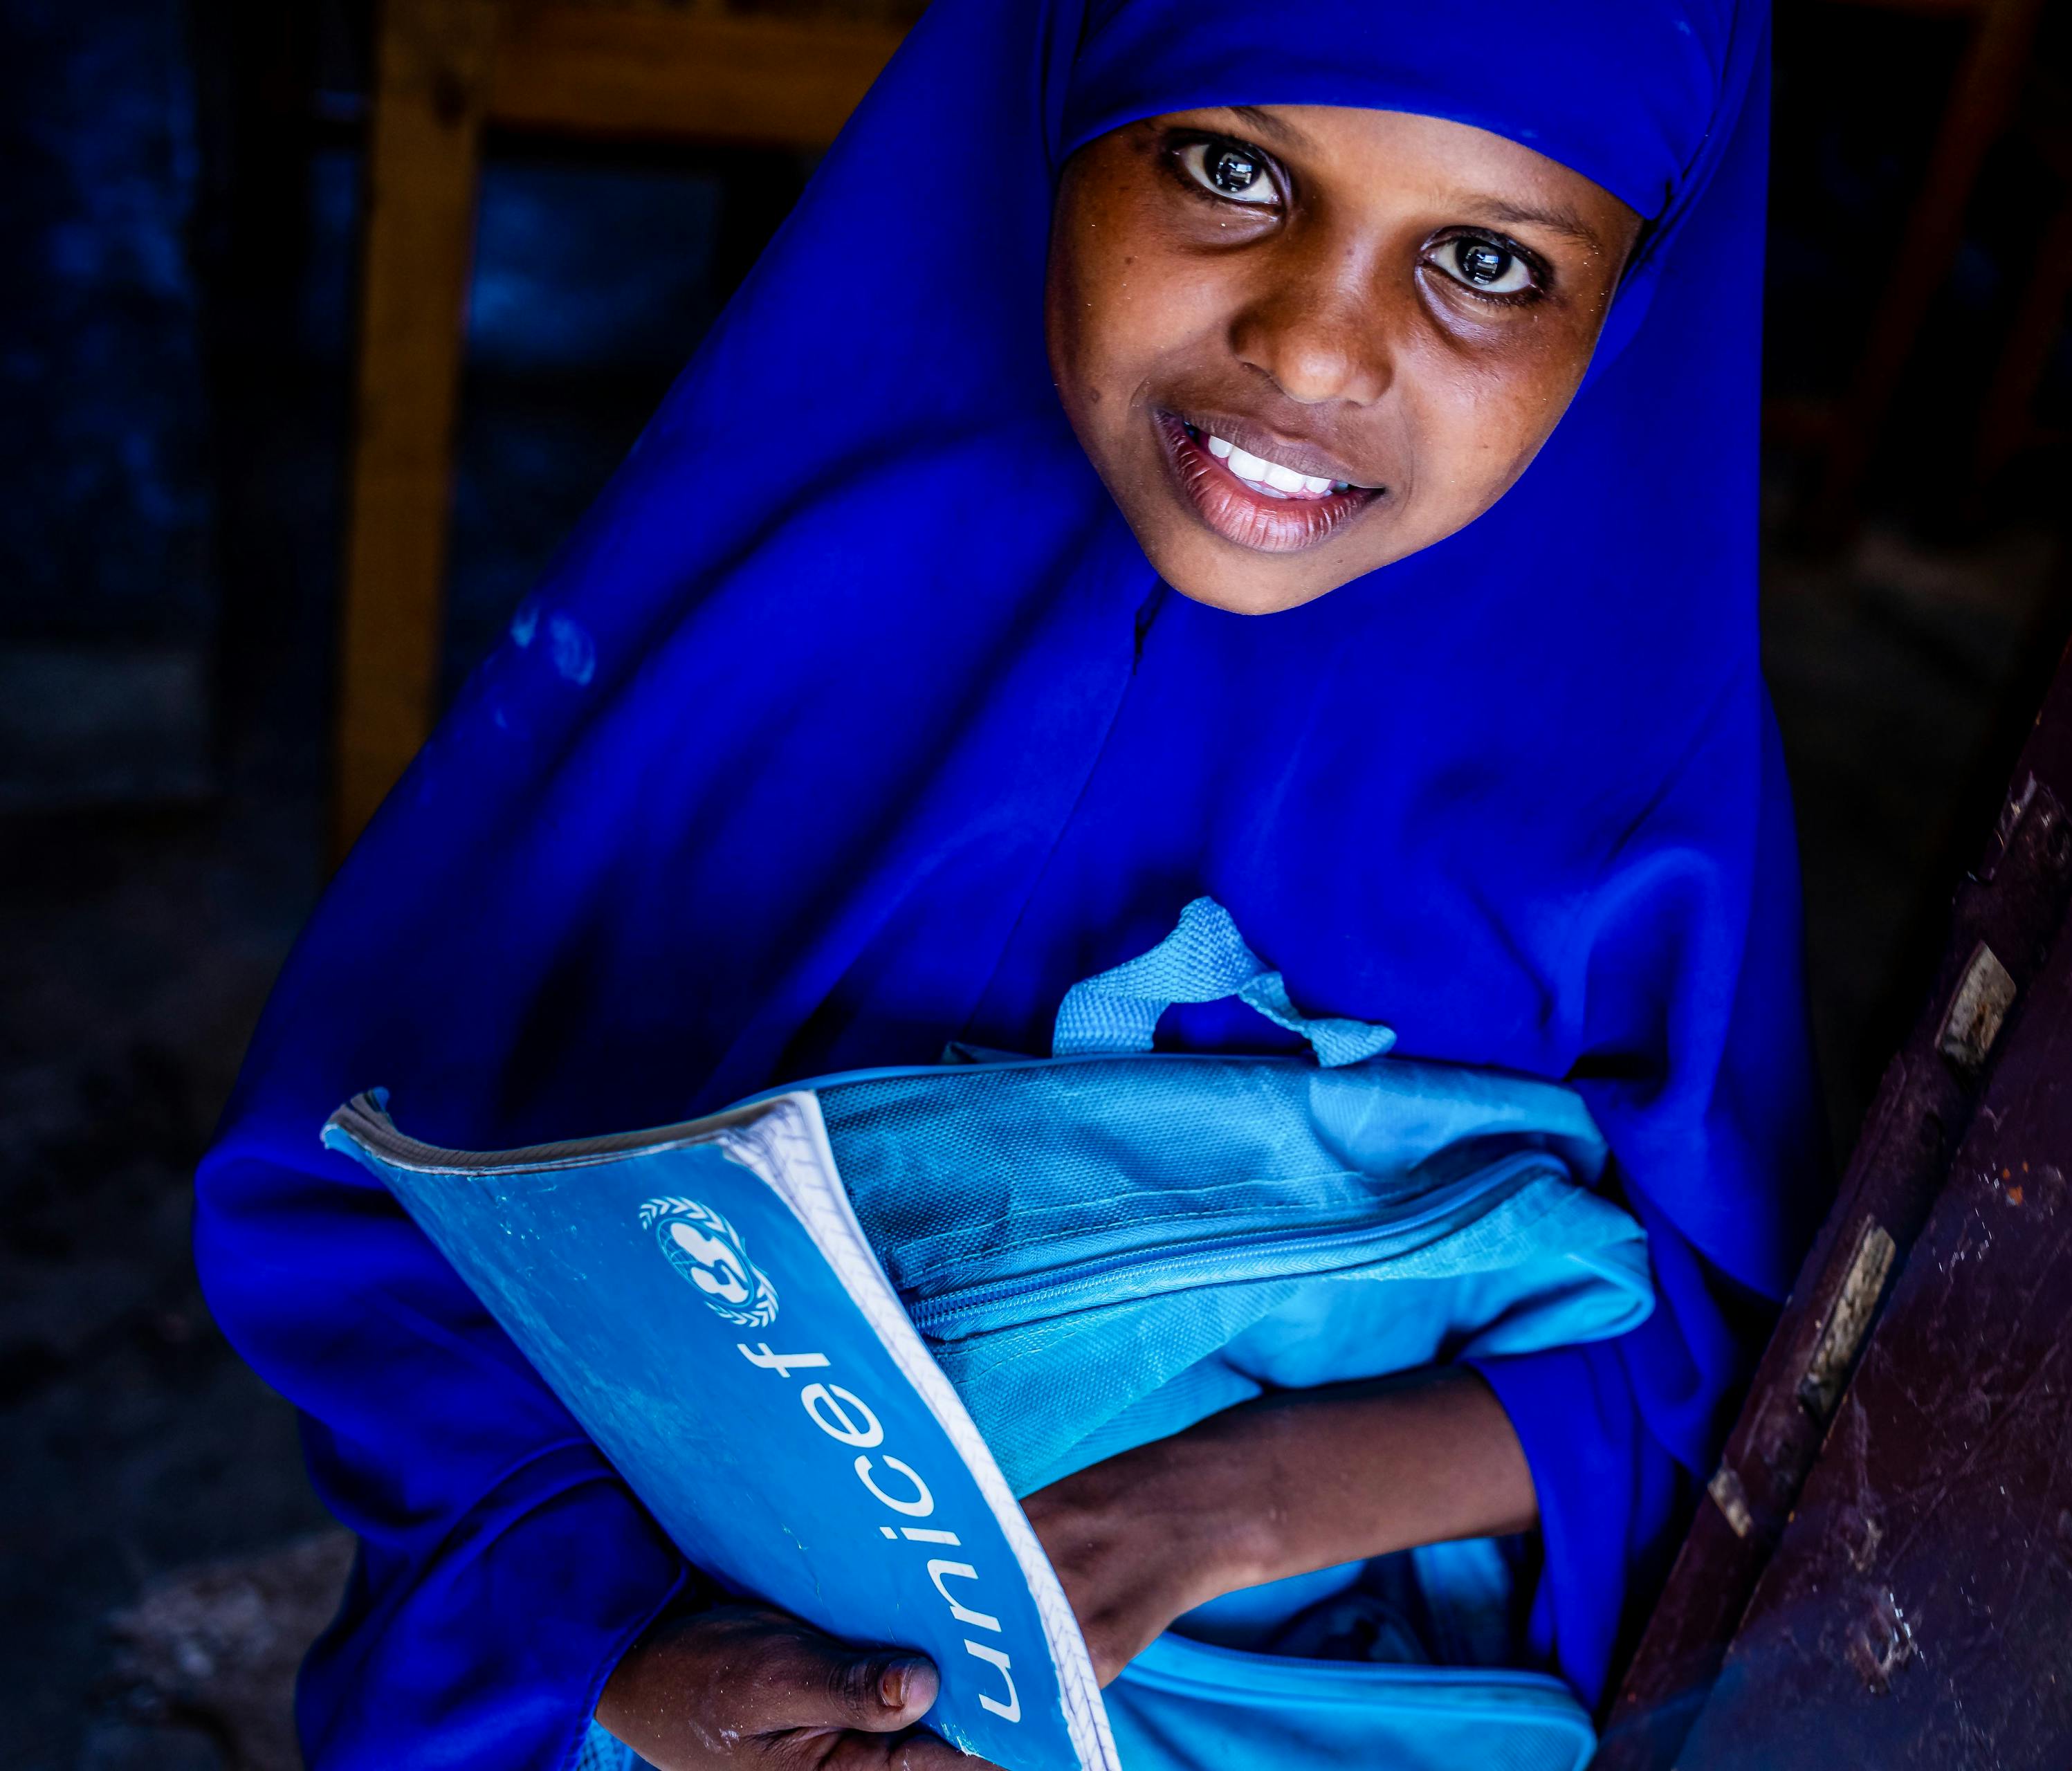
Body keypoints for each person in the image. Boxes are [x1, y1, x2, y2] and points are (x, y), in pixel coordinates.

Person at [193, 1, 1825, 1765]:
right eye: (1230, 167)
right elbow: (370, 1203)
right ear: (1059, 99)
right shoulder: (754, 620)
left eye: (1487, 263)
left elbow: (1735, 1375)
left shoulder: (1629, 797)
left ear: (1633, 297)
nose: (1311, 348)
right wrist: (631, 1653)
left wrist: (1226, 1504)